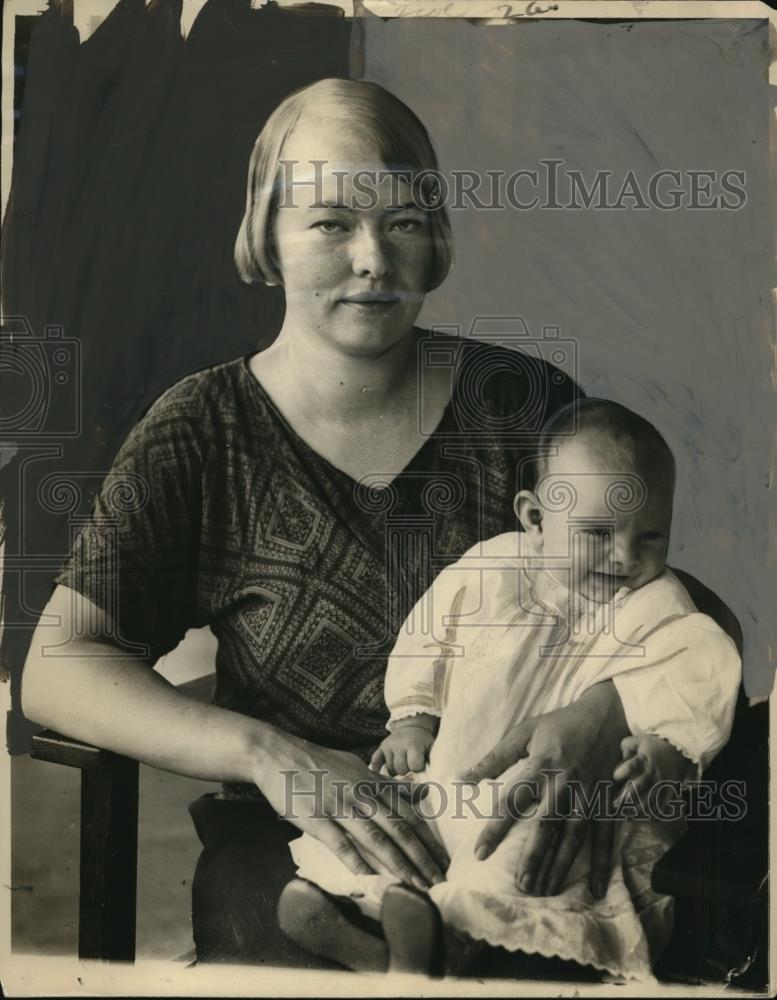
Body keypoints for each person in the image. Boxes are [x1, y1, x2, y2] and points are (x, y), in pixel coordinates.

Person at [19, 78, 723, 969]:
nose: (372, 258)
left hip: (522, 821)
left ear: (437, 243)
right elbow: (57, 663)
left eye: (403, 220)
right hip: (291, 845)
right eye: (329, 222)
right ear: (264, 236)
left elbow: (686, 616)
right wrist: (272, 756)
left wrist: (599, 713)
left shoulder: (524, 408)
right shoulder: (201, 431)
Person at [280, 399, 741, 981]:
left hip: (558, 806)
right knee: (404, 829)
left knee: (521, 862)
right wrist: (414, 717)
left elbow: (692, 675)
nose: (625, 557)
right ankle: (359, 918)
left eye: (651, 537)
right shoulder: (489, 571)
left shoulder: (660, 611)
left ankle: (450, 944)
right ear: (535, 519)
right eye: (598, 532)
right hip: (456, 779)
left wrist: (662, 750)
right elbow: (432, 632)